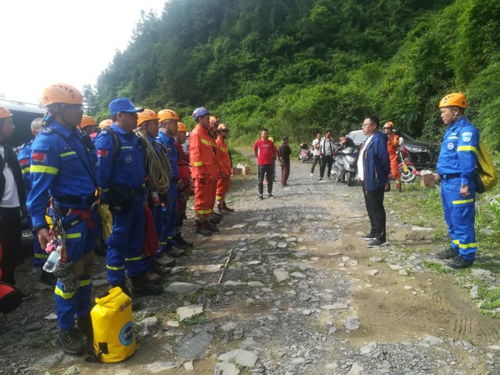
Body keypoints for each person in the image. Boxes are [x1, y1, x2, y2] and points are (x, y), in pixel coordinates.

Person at [27, 83, 99, 354]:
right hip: (69, 219)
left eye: (81, 107)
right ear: (57, 109)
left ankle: (83, 317)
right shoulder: (48, 141)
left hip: (88, 213)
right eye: (75, 108)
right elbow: (38, 188)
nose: (80, 112)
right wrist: (39, 225)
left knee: (86, 270)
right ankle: (65, 329)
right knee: (68, 277)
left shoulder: (76, 135)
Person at [95, 98, 162, 297]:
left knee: (135, 241)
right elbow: (101, 175)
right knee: (117, 242)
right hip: (119, 202)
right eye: (132, 114)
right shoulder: (108, 139)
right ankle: (117, 288)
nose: (136, 117)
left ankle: (138, 280)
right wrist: (110, 198)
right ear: (119, 116)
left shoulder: (133, 138)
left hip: (136, 198)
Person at [435, 93, 479, 269]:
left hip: (459, 183)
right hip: (447, 182)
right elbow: (450, 158)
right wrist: (439, 174)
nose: (441, 115)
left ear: (455, 111)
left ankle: (467, 256)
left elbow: (467, 160)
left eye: (444, 111)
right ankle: (456, 248)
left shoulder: (467, 131)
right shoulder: (451, 131)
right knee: (451, 217)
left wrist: (465, 183)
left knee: (462, 218)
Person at [17, 117, 55, 285]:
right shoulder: (26, 151)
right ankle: (43, 267)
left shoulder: (50, 144)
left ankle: (52, 265)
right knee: (40, 232)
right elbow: (28, 179)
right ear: (34, 132)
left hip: (50, 197)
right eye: (41, 129)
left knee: (53, 233)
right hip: (36, 197)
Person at [135, 108, 173, 281]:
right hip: (148, 191)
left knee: (157, 225)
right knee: (147, 230)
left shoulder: (154, 143)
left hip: (157, 189)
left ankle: (153, 260)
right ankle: (147, 264)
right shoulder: (141, 143)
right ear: (144, 125)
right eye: (154, 124)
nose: (157, 126)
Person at [0, 106, 29, 297]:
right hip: (2, 209)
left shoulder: (6, 149)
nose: (13, 126)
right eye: (9, 122)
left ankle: (10, 288)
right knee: (3, 252)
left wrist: (21, 205)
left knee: (12, 249)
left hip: (11, 207)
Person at [157, 109, 186, 257]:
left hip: (174, 184)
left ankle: (169, 245)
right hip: (165, 185)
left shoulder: (170, 141)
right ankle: (162, 250)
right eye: (175, 122)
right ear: (166, 123)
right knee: (164, 216)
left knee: (172, 216)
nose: (177, 126)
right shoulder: (160, 141)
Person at [357, 116, 390, 248]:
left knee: (376, 207)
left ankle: (381, 237)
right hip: (366, 178)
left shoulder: (378, 139)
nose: (363, 127)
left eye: (366, 125)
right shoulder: (369, 139)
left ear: (374, 126)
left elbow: (384, 160)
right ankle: (374, 231)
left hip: (375, 178)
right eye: (363, 124)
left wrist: (382, 176)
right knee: (370, 206)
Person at [189, 107, 218, 236]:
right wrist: (200, 172)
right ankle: (200, 224)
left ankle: (206, 221)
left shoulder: (205, 134)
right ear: (200, 119)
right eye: (207, 118)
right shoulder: (196, 134)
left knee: (208, 199)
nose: (208, 121)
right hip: (202, 174)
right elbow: (195, 155)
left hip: (210, 172)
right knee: (201, 199)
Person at [174, 122, 193, 248]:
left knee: (181, 211)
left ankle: (178, 237)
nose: (185, 137)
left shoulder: (179, 146)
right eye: (183, 134)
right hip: (178, 184)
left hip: (183, 183)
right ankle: (176, 238)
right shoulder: (174, 145)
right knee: (176, 213)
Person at [253, 128, 277, 199]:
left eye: (267, 133)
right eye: (264, 133)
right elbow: (255, 152)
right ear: (261, 134)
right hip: (261, 163)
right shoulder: (257, 142)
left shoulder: (270, 142)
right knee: (260, 180)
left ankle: (269, 193)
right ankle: (261, 194)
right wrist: (259, 158)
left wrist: (274, 157)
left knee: (270, 179)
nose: (265, 134)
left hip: (270, 163)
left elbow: (274, 150)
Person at [215, 123, 234, 213]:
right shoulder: (218, 142)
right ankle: (219, 205)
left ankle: (223, 204)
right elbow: (218, 158)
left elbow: (227, 157)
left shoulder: (224, 143)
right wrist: (221, 170)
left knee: (224, 188)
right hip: (222, 171)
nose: (226, 133)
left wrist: (230, 168)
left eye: (226, 131)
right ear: (219, 132)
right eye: (224, 131)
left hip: (226, 170)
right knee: (220, 189)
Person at [383, 121, 402, 192]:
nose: (386, 130)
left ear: (391, 129)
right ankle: (386, 187)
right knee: (384, 171)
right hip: (384, 156)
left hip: (393, 156)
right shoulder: (382, 137)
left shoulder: (395, 137)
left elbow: (396, 144)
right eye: (385, 128)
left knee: (395, 172)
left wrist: (395, 140)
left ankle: (398, 186)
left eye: (388, 128)